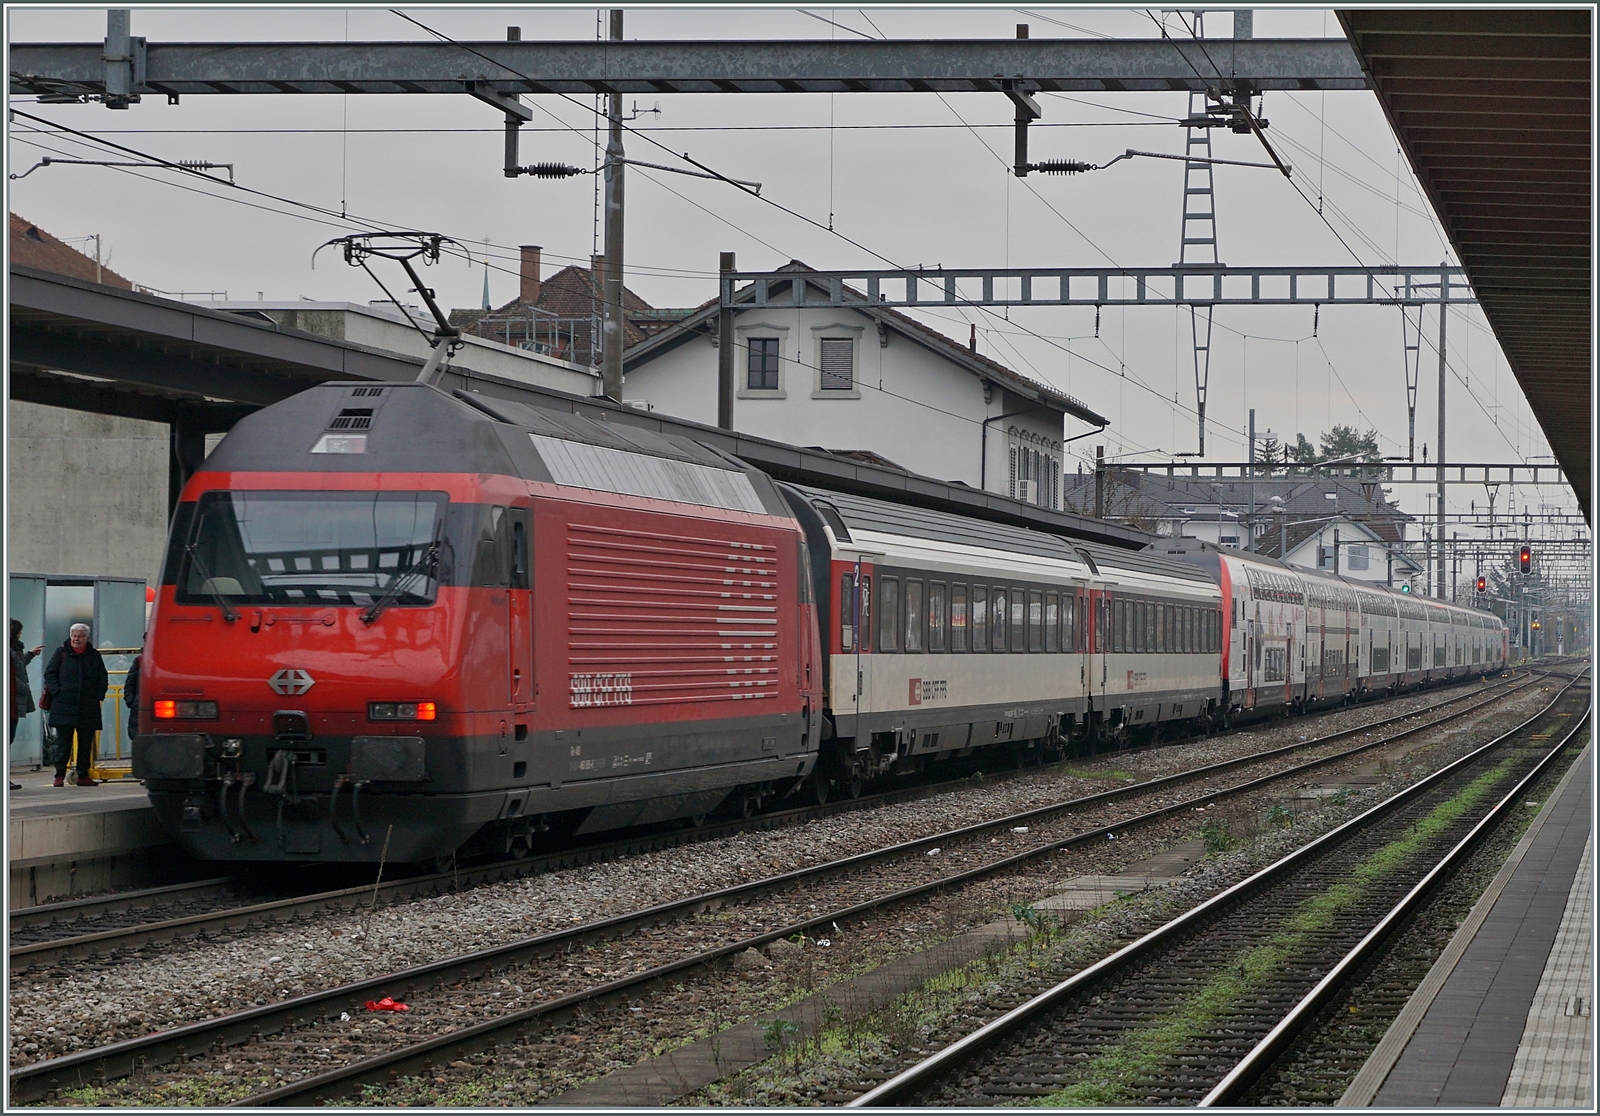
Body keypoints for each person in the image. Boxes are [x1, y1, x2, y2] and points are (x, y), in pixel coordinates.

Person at [42, 623, 109, 787]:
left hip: (88, 706)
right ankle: (59, 775)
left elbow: (102, 677)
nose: (76, 639)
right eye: (73, 635)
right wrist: (58, 691)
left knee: (85, 744)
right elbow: (50, 674)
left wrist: (98, 695)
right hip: (64, 706)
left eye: (79, 636)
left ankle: (83, 774)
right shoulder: (62, 653)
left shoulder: (93, 655)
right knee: (63, 743)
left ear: (86, 638)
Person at [9, 619, 42, 790]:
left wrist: (29, 654)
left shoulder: (15, 649)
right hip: (11, 700)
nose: (21, 634)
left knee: (9, 738)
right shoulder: (9, 649)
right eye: (19, 631)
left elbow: (18, 667)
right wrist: (23, 687)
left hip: (15, 700)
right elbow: (11, 675)